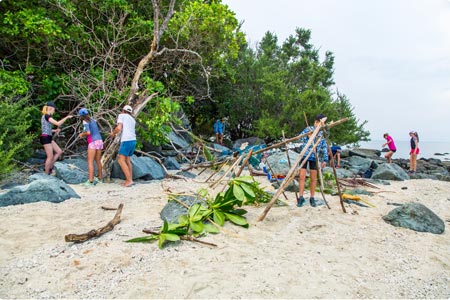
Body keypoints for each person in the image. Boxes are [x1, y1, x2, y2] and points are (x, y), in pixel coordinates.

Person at [297, 114, 329, 207]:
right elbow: (299, 139)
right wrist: (308, 136)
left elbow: (324, 147)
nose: (321, 125)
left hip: (314, 157)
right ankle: (301, 197)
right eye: (320, 123)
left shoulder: (322, 132)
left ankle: (312, 197)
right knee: (301, 177)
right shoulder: (308, 129)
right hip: (304, 156)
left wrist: (325, 160)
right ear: (316, 122)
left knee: (313, 179)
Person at [40, 101, 73, 175]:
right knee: (50, 156)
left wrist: (54, 130)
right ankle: (46, 173)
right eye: (54, 109)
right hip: (45, 138)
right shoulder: (46, 116)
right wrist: (67, 117)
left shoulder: (46, 117)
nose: (54, 111)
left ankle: (50, 168)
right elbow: (57, 123)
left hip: (48, 137)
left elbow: (45, 128)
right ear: (50, 108)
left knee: (59, 151)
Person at [110, 105, 136, 187]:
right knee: (127, 160)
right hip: (133, 140)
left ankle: (129, 180)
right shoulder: (132, 119)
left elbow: (119, 128)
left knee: (121, 160)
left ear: (123, 110)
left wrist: (113, 134)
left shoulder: (122, 116)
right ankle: (130, 179)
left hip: (126, 140)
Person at [78, 108, 103, 187]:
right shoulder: (93, 120)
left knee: (90, 161)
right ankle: (100, 178)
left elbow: (88, 132)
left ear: (81, 116)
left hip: (92, 142)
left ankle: (90, 181)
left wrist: (82, 134)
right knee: (98, 160)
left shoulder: (85, 121)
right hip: (99, 141)